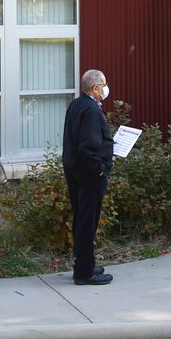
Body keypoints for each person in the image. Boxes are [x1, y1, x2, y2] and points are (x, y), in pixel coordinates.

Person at [62, 69, 114, 285]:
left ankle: (84, 264)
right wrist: (100, 168)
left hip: (75, 171)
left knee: (81, 218)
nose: (106, 88)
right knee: (87, 222)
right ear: (95, 88)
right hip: (89, 174)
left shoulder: (76, 104)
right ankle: (85, 272)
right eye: (104, 84)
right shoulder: (91, 111)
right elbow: (88, 146)